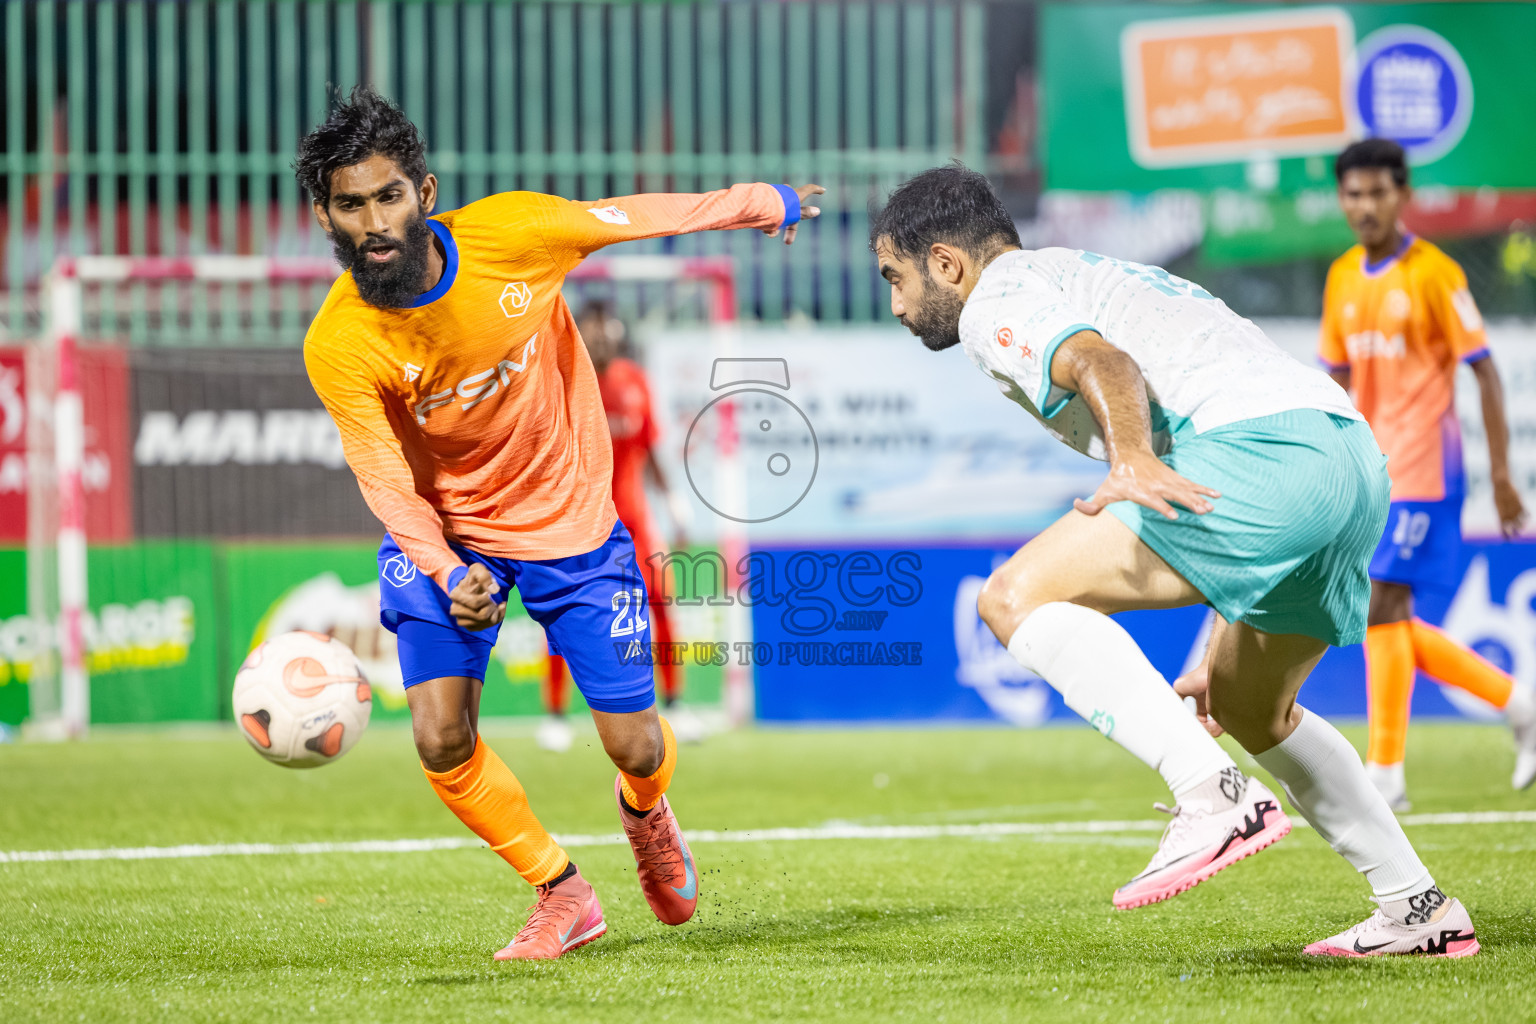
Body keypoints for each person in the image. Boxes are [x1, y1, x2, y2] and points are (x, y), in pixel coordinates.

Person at [871, 163, 1477, 958]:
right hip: (1346, 458)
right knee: (1248, 704)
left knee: (1011, 598)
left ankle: (1212, 794)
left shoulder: (997, 299)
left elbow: (1103, 363)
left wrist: (1129, 461)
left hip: (1261, 454)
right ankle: (1418, 907)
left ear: (946, 262)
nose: (897, 305)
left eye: (896, 278)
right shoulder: (1081, 272)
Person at [296, 86, 822, 960]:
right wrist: (443, 570)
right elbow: (384, 479)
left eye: (389, 196)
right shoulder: (339, 342)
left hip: (566, 519)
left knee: (637, 746)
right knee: (440, 736)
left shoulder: (515, 234)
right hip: (447, 533)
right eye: (351, 205)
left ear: (425, 193)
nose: (375, 223)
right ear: (325, 215)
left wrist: (758, 202)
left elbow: (635, 217)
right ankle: (561, 890)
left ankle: (646, 811)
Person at [1321, 138, 1534, 810]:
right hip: (1371, 470)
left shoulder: (1435, 273)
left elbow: (1485, 371)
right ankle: (1519, 704)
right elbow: (1337, 380)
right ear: (1342, 199)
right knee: (1381, 617)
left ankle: (1386, 771)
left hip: (1426, 468)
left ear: (1403, 195)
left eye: (1377, 192)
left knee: (1382, 602)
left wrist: (1502, 475)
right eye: (1353, 194)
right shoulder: (1341, 277)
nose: (1365, 206)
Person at [537, 301, 704, 753]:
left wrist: (674, 503)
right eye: (592, 330)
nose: (601, 338)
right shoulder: (560, 380)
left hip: (634, 521)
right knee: (560, 614)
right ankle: (555, 714)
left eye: (606, 330)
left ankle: (675, 702)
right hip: (578, 522)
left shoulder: (635, 381)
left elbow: (650, 447)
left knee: (661, 603)